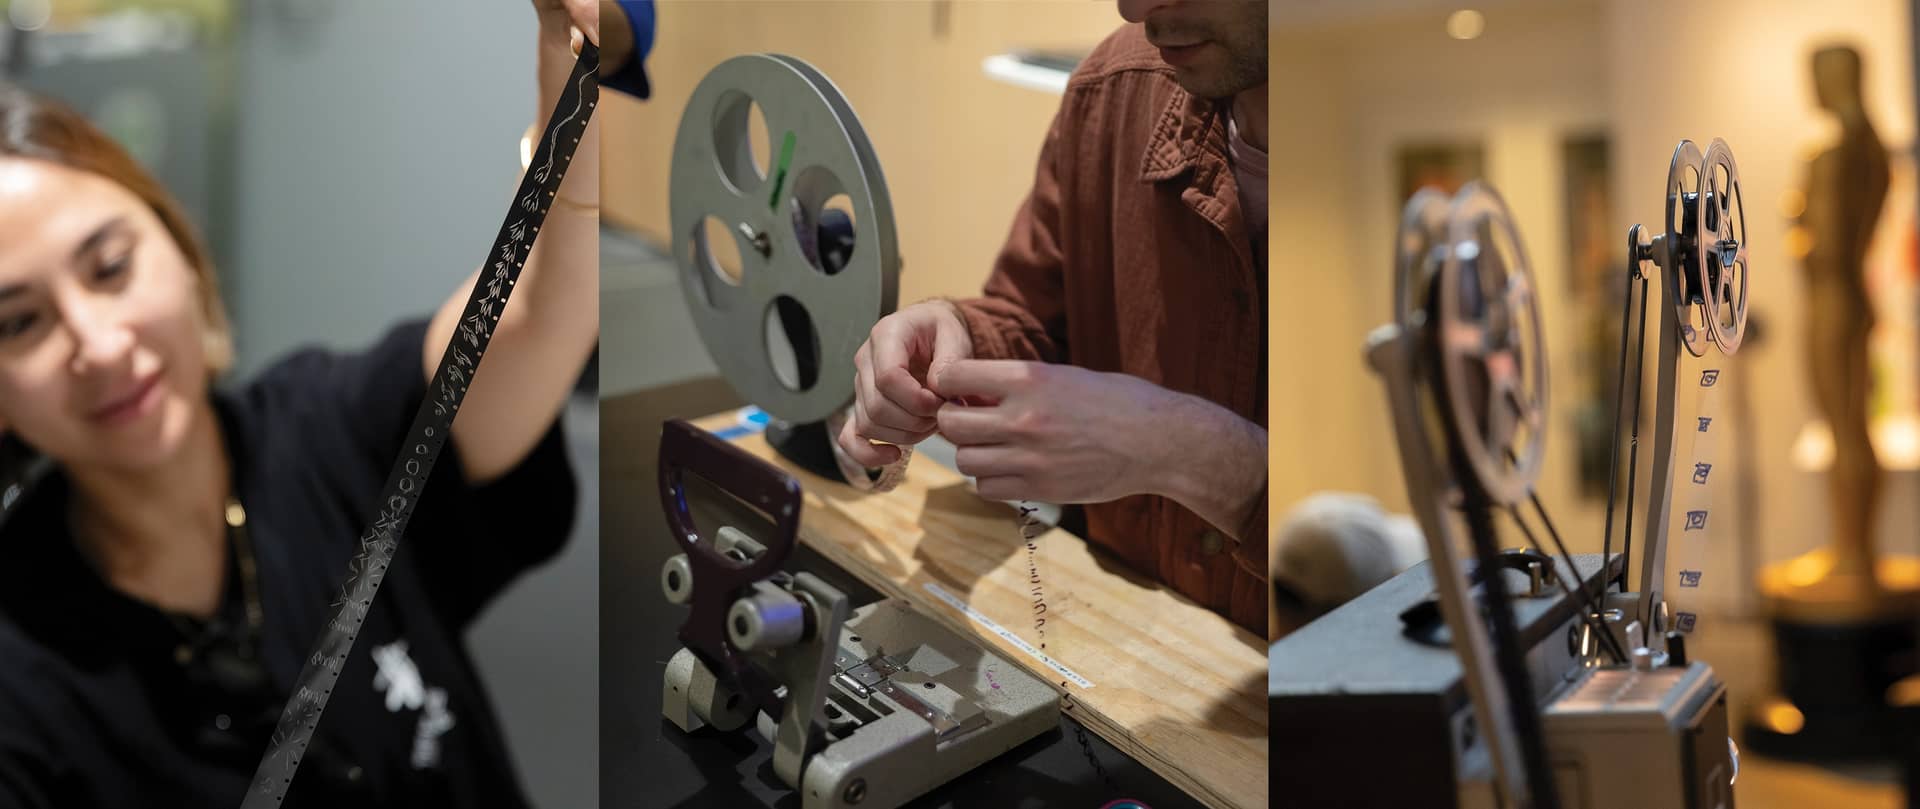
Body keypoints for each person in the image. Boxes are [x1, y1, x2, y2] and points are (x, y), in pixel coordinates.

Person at [0, 1, 600, 806]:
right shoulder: (23, 675)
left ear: (182, 254)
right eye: (20, 322)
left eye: (109, 267)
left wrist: (576, 71)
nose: (100, 344)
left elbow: (531, 311)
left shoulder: (331, 431)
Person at [836, 0, 1269, 634]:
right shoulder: (1114, 88)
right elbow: (1034, 319)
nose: (1134, 7)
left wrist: (1198, 455)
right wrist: (955, 338)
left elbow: (1432, 551)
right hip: (1126, 638)